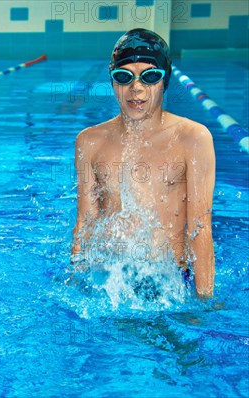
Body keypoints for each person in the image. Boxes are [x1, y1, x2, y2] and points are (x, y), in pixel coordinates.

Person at [71, 28, 216, 298]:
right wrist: (76, 283)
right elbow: (85, 222)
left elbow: (201, 228)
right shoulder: (89, 141)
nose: (136, 88)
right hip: (110, 279)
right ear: (113, 82)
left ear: (165, 82)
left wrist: (205, 302)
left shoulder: (192, 138)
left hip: (169, 281)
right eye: (124, 76)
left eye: (149, 76)